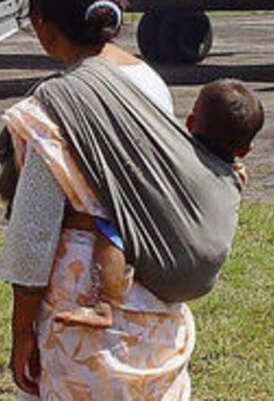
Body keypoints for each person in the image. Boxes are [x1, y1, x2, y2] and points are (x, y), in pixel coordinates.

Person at [0, 0, 247, 400]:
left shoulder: (51, 106)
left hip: (84, 307)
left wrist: (22, 332)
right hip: (150, 296)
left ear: (42, 23)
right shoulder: (146, 80)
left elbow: (33, 234)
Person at [54, 78, 263, 330]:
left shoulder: (176, 159)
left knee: (113, 225)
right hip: (203, 279)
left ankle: (104, 304)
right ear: (246, 151)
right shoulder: (234, 176)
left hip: (167, 273)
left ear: (189, 122)